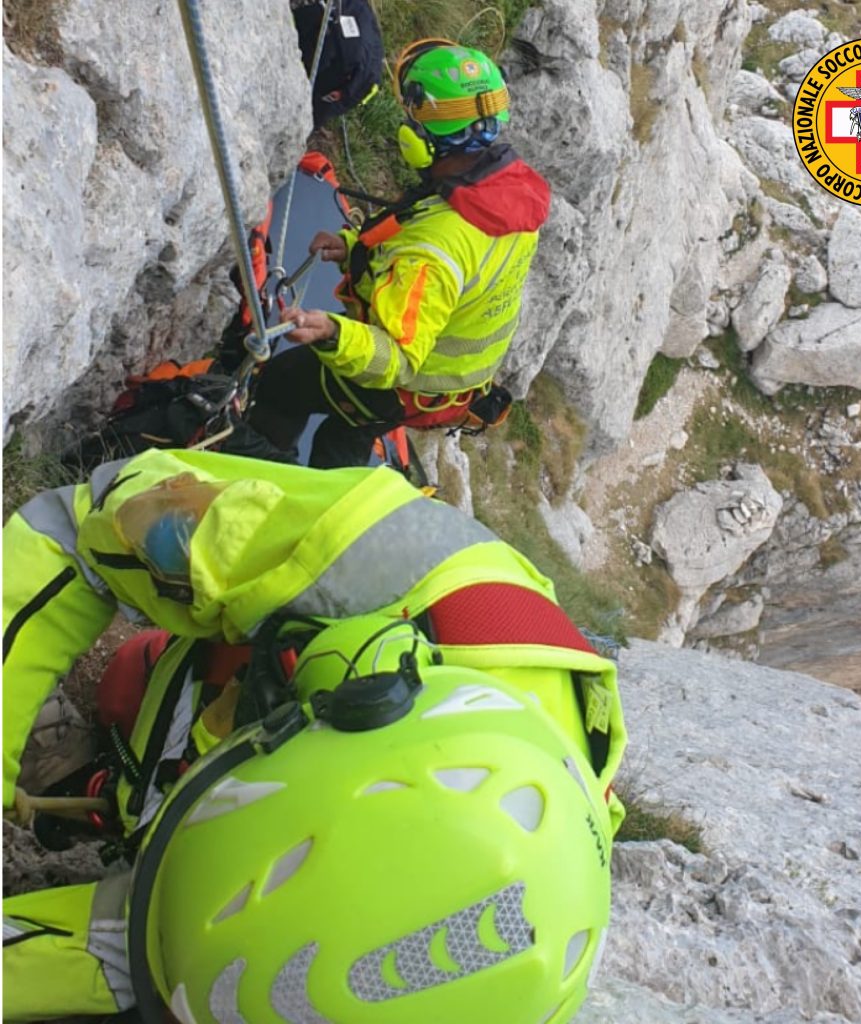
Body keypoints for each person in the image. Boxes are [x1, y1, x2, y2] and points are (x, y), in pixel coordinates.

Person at [2, 448, 625, 1024]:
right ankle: (144, 804)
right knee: (125, 684)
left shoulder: (493, 968)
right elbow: (68, 534)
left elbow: (162, 948)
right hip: (273, 652)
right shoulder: (323, 555)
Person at [244, 39, 551, 468]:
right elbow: (444, 257)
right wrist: (353, 247)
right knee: (346, 432)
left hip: (405, 386)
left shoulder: (433, 248)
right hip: (449, 387)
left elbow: (397, 359)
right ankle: (330, 509)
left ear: (419, 141)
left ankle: (252, 476)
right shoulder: (508, 198)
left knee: (281, 385)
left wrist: (332, 332)